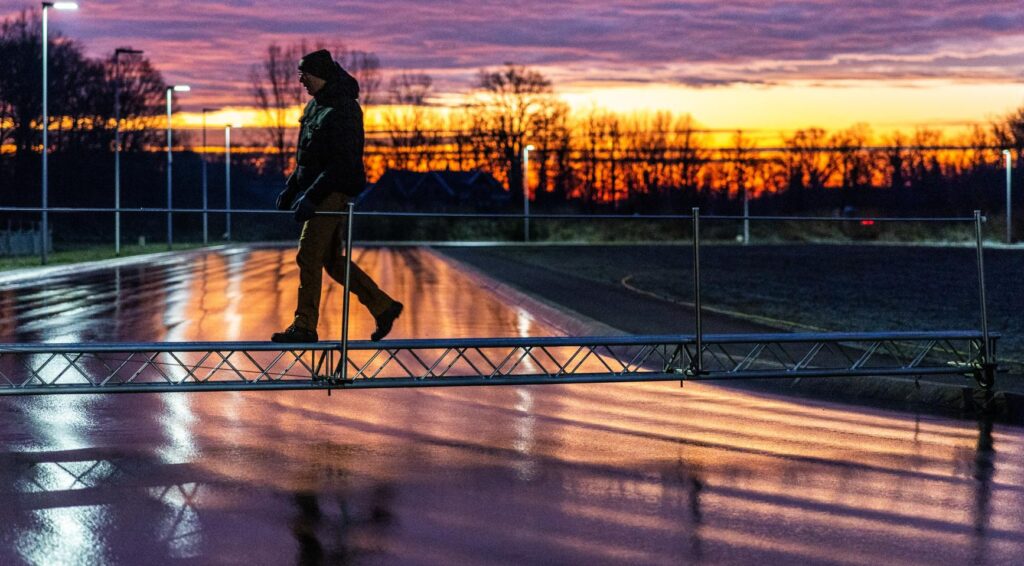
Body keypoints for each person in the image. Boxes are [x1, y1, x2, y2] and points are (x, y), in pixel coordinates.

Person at [272, 49, 403, 343]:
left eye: (305, 74)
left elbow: (343, 163)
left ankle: (304, 326)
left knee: (308, 255)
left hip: (332, 192)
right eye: (299, 75)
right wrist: (292, 187)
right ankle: (383, 307)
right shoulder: (314, 107)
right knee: (331, 261)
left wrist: (312, 197)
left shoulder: (344, 109)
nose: (301, 80)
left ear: (321, 74)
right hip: (318, 190)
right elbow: (308, 159)